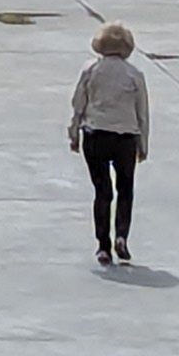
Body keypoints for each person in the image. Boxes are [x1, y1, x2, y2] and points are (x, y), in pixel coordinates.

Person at [69, 23, 149, 267]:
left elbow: (78, 104)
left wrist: (74, 133)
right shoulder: (134, 75)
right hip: (125, 137)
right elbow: (142, 112)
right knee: (125, 189)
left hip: (95, 135)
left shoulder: (91, 70)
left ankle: (103, 245)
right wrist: (142, 143)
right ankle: (122, 236)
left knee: (102, 191)